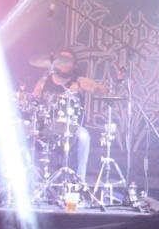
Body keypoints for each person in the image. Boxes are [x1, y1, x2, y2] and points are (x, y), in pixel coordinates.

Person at [31, 49, 107, 182]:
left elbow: (101, 90)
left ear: (74, 65)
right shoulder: (44, 81)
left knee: (83, 136)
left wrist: (83, 87)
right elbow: (33, 100)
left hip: (72, 128)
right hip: (48, 127)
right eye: (62, 61)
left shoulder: (79, 80)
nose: (64, 64)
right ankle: (34, 179)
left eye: (68, 61)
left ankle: (80, 180)